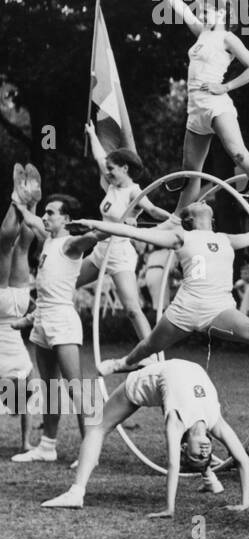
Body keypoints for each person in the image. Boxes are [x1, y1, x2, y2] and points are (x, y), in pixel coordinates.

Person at [90, 201, 249, 375]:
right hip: (186, 307)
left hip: (218, 307)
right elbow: (134, 232)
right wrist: (93, 224)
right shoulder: (181, 236)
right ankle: (123, 363)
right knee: (150, 346)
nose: (202, 200)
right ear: (190, 219)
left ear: (212, 218)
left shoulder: (224, 238)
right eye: (197, 203)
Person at [41, 358, 249, 516]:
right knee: (98, 426)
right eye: (206, 456)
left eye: (198, 456)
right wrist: (246, 502)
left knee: (97, 427)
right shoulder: (214, 419)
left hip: (147, 383)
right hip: (171, 371)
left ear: (184, 447)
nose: (205, 452)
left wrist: (170, 508)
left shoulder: (176, 422)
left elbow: (172, 464)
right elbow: (242, 459)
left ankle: (76, 492)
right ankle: (208, 477)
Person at [158, 0, 249, 210]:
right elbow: (184, 11)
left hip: (215, 105)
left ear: (221, 13)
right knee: (191, 171)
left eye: (206, 11)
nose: (202, 15)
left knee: (238, 154)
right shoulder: (203, 32)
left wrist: (225, 87)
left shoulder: (227, 37)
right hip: (195, 108)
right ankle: (177, 217)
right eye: (201, 11)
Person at [9, 192, 101, 463]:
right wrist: (18, 199)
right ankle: (48, 446)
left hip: (63, 320)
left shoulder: (71, 243)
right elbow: (29, 218)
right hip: (42, 318)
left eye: (52, 213)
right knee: (48, 388)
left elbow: (98, 235)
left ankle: (90, 451)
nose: (46, 217)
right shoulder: (48, 238)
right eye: (46, 212)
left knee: (76, 387)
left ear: (67, 219)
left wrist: (116, 222)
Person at [78, 126, 171, 343]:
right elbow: (100, 157)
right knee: (63, 283)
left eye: (111, 169)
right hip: (100, 251)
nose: (107, 172)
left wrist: (177, 220)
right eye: (107, 169)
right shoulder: (112, 184)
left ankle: (153, 356)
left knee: (132, 309)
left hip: (120, 253)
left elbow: (154, 211)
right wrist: (92, 134)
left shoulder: (134, 191)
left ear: (124, 168)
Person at [1, 166, 41, 452]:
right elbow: (24, 409)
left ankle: (28, 203)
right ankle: (21, 202)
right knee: (7, 248)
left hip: (18, 305)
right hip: (8, 308)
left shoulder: (25, 368)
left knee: (19, 248)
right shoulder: (15, 372)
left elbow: (26, 407)